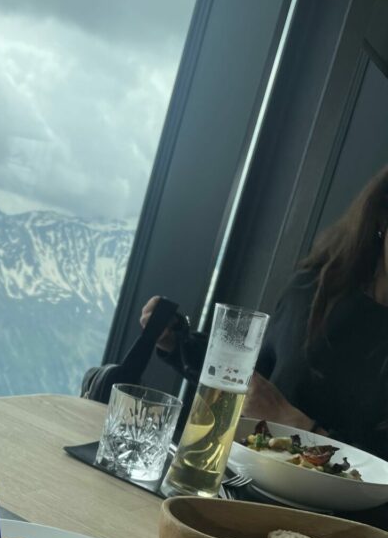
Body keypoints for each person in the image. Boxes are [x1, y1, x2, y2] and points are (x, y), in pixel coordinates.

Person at [140, 166, 388, 460]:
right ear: (382, 215)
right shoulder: (313, 290)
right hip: (241, 482)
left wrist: (295, 425)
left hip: (326, 507)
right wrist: (179, 342)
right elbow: (252, 383)